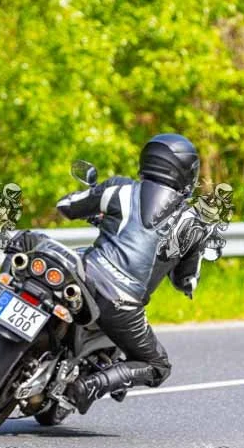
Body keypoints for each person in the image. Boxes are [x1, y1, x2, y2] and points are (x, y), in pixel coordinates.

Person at [55, 133, 202, 413]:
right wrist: (187, 285)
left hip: (84, 276)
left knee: (30, 250)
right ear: (186, 173)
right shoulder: (191, 223)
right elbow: (185, 279)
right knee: (158, 366)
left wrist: (97, 211)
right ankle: (91, 385)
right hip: (120, 305)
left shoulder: (120, 189)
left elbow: (66, 206)